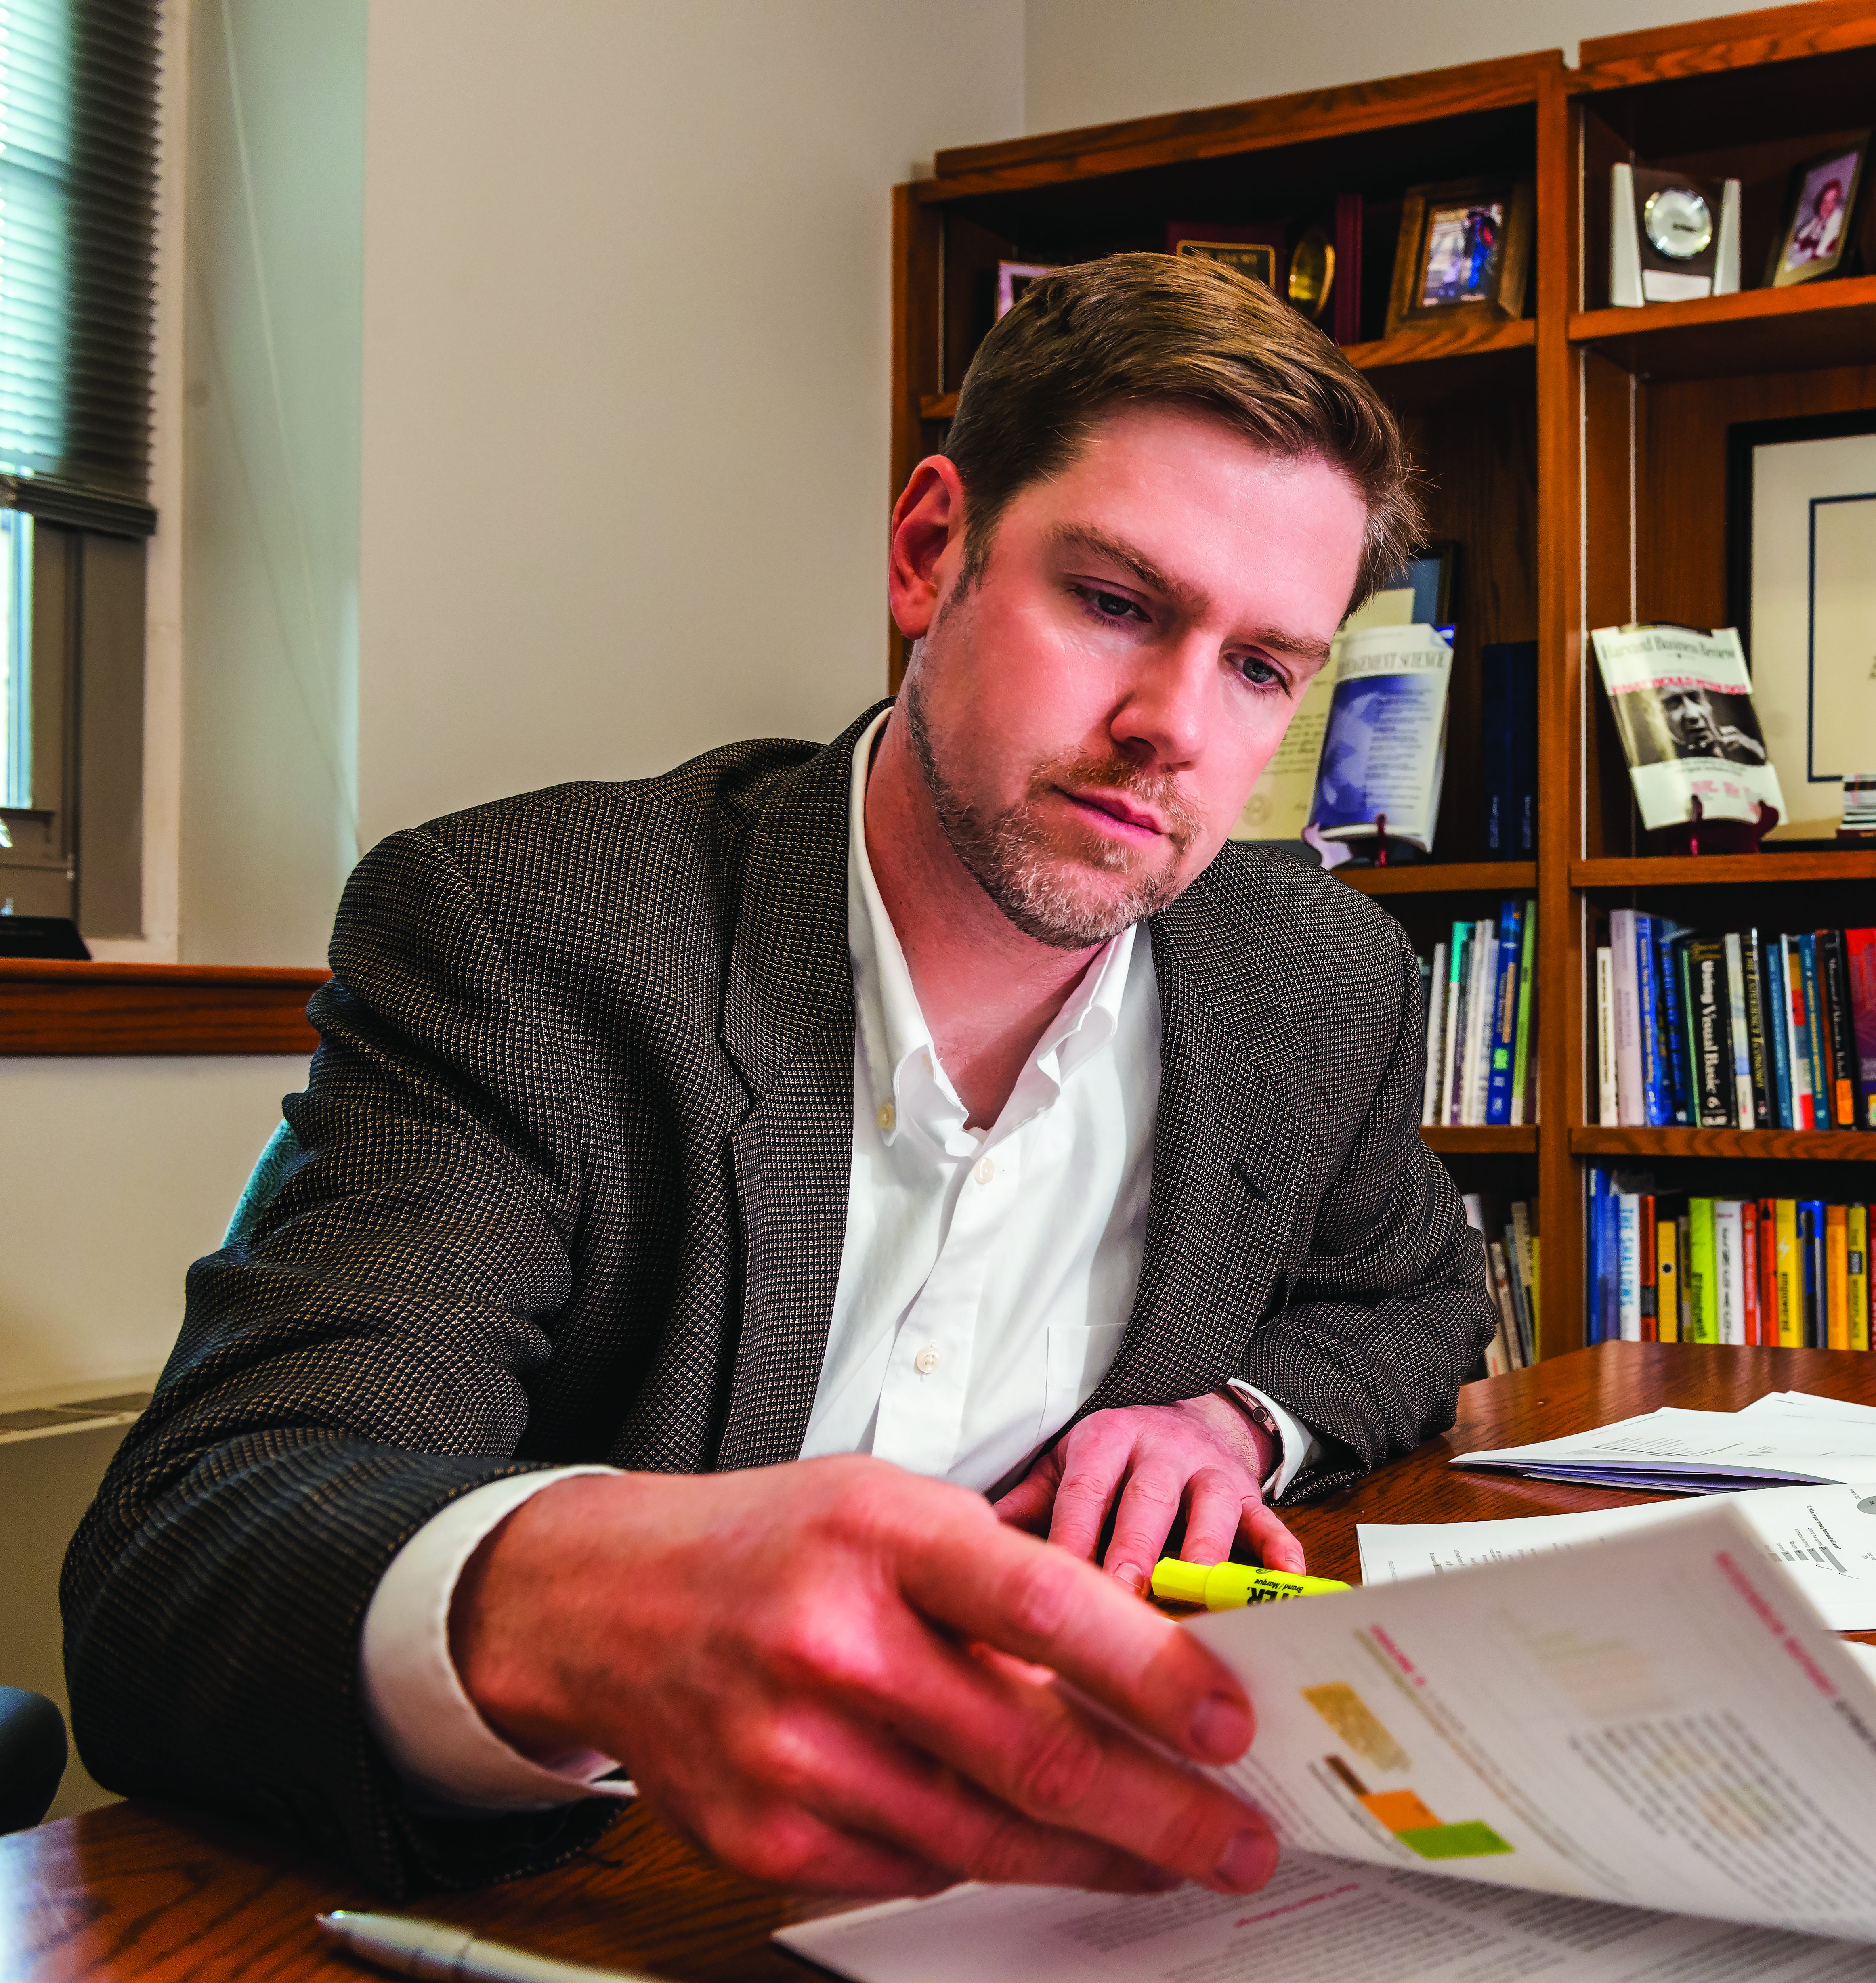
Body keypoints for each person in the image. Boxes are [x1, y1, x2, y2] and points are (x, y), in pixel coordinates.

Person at [61, 254, 1493, 1905]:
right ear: (928, 548)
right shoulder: (538, 933)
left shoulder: (1319, 979)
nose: (1174, 724)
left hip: (1107, 1880)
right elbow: (184, 1563)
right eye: (1113, 601)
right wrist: (558, 1595)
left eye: (1261, 667)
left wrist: (1231, 1420)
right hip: (613, 1899)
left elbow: (1414, 1303)